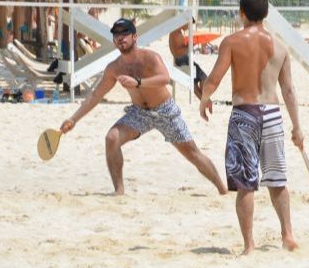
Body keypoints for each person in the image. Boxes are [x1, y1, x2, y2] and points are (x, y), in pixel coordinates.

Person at [59, 18, 227, 197]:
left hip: (165, 111)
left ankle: (222, 189)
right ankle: (119, 190)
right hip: (139, 113)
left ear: (134, 37)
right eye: (117, 35)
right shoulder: (114, 67)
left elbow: (164, 79)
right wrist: (73, 119)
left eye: (125, 34)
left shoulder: (150, 58)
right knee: (111, 138)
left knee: (192, 153)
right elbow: (95, 95)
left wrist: (138, 82)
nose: (120, 38)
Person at [200, 0, 297, 254]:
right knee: (277, 179)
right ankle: (287, 234)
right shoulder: (280, 46)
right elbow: (288, 90)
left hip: (245, 114)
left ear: (242, 13)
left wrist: (205, 98)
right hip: (273, 114)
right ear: (266, 15)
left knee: (246, 184)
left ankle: (249, 245)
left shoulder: (233, 41)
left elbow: (215, 78)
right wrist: (297, 127)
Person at [169, 20, 208, 98]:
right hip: (182, 60)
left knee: (194, 83)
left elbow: (179, 49)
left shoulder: (176, 32)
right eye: (189, 25)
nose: (188, 28)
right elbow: (177, 52)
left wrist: (190, 45)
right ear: (186, 22)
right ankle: (204, 100)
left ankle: (204, 100)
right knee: (204, 77)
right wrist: (191, 46)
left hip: (182, 59)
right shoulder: (176, 33)